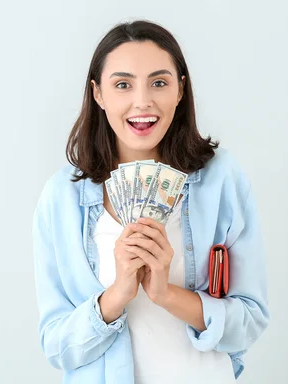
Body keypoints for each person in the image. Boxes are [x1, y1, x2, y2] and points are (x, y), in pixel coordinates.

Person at [32, 20, 269, 384]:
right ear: (98, 94)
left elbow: (249, 322)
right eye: (123, 84)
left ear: (180, 90)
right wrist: (116, 295)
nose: (142, 102)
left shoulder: (221, 179)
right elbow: (57, 346)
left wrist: (165, 293)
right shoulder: (61, 198)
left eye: (159, 82)